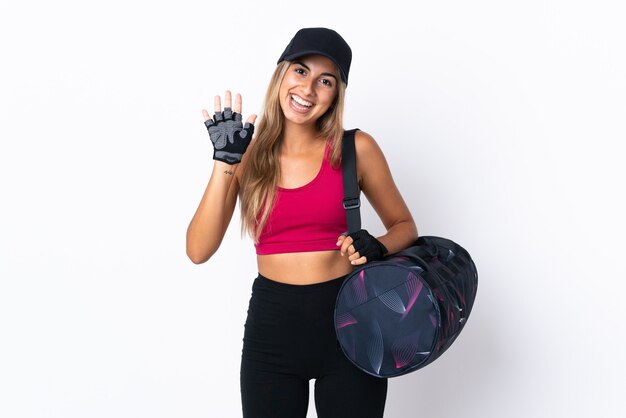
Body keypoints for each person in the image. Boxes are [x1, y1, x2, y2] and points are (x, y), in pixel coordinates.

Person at [186, 27, 418, 418]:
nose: (308, 89)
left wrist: (377, 245)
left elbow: (404, 226)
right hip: (272, 329)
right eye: (300, 71)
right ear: (281, 75)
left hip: (352, 321)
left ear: (336, 94)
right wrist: (224, 163)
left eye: (324, 80)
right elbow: (198, 250)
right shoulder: (245, 153)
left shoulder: (356, 149)